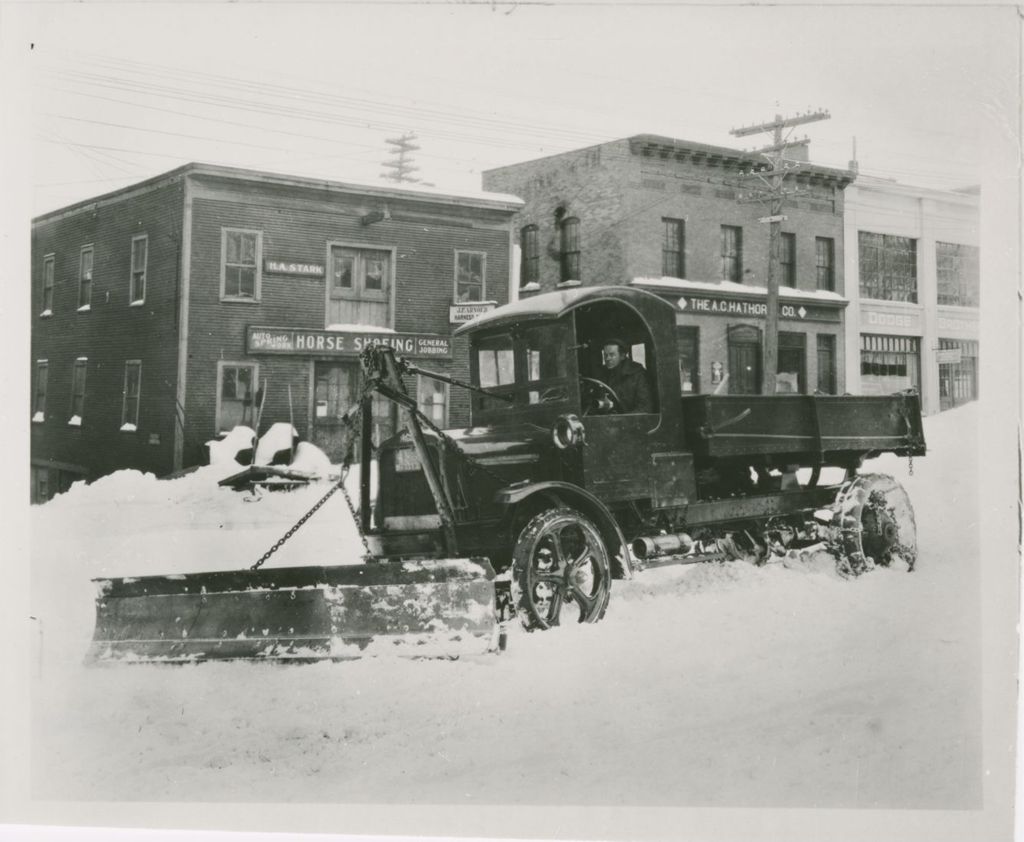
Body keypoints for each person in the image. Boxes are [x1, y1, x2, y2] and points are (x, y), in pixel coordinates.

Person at [596, 338, 653, 413]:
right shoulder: (603, 373)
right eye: (605, 355)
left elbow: (645, 407)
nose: (607, 358)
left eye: (612, 355)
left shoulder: (637, 374)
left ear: (622, 356)